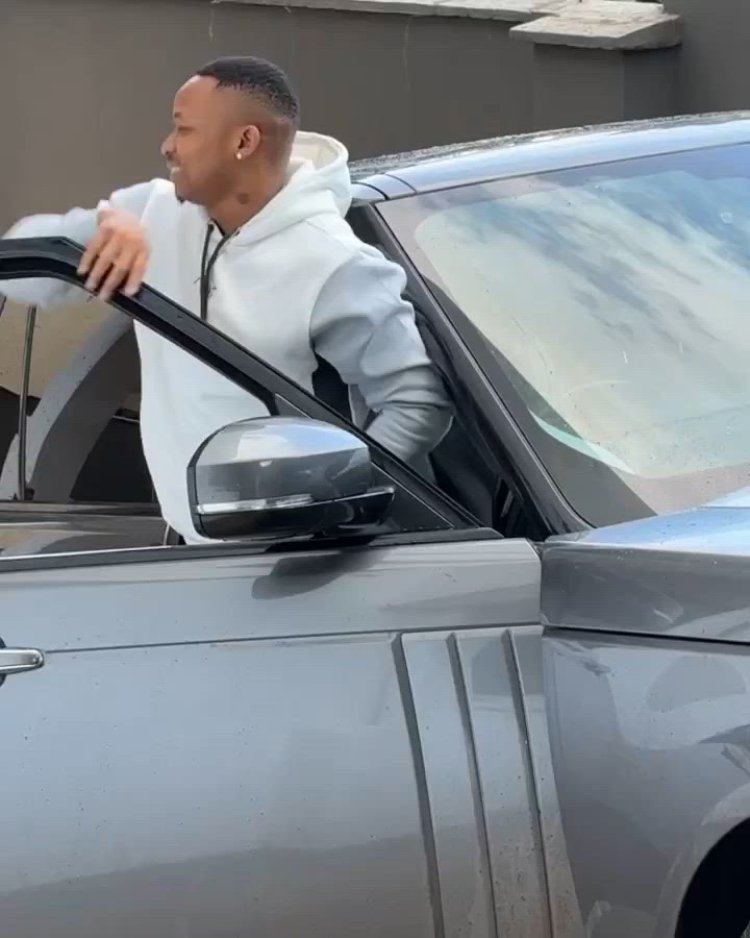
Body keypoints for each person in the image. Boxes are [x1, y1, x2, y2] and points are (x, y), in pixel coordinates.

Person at [1, 56, 452, 543]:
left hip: (290, 554)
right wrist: (98, 230)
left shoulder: (335, 264)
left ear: (244, 142)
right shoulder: (149, 213)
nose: (167, 145)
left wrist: (329, 497)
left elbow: (417, 403)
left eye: (184, 129)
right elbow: (18, 270)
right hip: (186, 536)